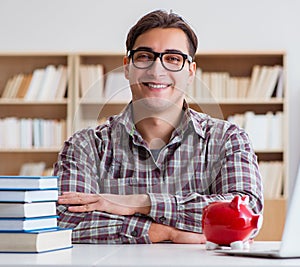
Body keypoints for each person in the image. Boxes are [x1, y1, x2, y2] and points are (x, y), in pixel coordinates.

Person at [54, 9, 263, 244]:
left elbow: (247, 212)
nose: (157, 70)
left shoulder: (228, 139)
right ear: (127, 66)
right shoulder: (85, 146)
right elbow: (64, 220)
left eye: (173, 59)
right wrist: (164, 232)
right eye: (144, 56)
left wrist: (142, 203)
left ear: (190, 72)